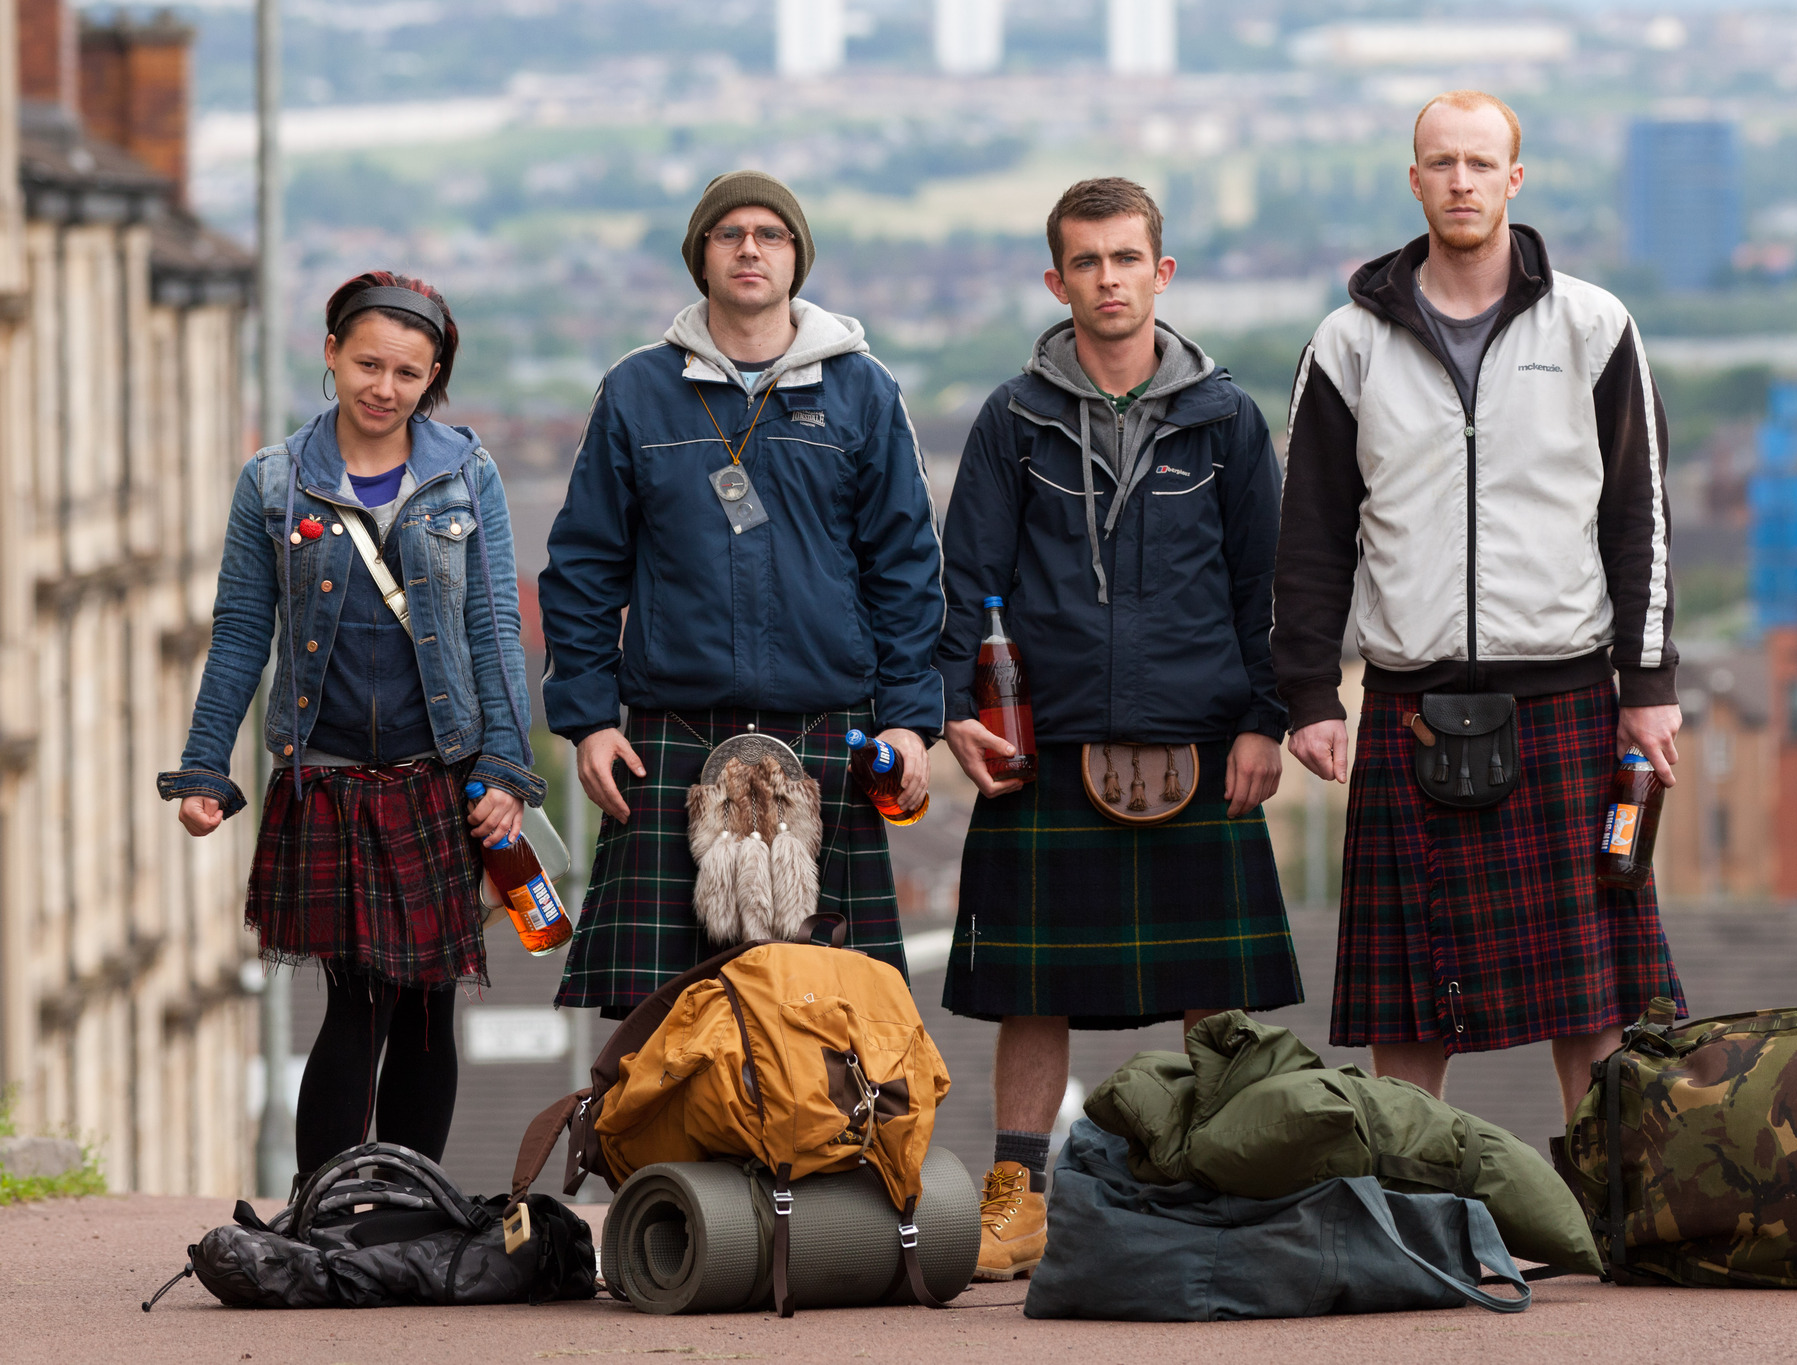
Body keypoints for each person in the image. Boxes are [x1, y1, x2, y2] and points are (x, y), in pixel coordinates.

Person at [1275, 91, 1686, 1125]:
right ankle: (1412, 1204)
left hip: (1564, 694)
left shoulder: (1593, 326)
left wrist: (1647, 687)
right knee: (1406, 1004)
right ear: (1412, 182)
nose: (1459, 180)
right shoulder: (1346, 343)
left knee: (1593, 1001)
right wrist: (1309, 694)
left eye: (1478, 162)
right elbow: (1311, 534)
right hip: (1410, 697)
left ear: (1514, 178)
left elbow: (1637, 516)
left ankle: (1608, 1199)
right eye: (1438, 162)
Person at [938, 178, 1303, 1282]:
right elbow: (968, 581)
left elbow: (1267, 587)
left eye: (1126, 259)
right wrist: (960, 710)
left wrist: (1264, 721)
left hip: (1197, 737)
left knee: (1211, 994)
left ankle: (1211, 1184)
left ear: (1162, 272)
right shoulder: (1012, 417)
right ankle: (1020, 1194)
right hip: (1044, 741)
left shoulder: (1227, 421)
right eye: (1086, 262)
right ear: (1057, 281)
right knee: (1029, 987)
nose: (1108, 279)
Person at [159, 272, 542, 1180]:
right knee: (358, 1000)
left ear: (433, 375)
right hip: (326, 774)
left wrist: (508, 770)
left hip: (440, 774)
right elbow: (244, 632)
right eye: (367, 362)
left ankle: (411, 1203)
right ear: (330, 354)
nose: (384, 386)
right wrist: (204, 767)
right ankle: (321, 1210)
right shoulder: (274, 482)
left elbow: (492, 628)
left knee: (426, 1004)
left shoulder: (467, 472)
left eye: (408, 372)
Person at [540, 171, 942, 1014]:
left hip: (827, 735)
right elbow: (582, 568)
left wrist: (908, 718)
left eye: (771, 233)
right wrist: (586, 721)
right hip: (668, 743)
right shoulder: (638, 392)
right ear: (702, 257)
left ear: (797, 256)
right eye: (730, 234)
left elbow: (904, 567)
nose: (751, 248)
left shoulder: (863, 391)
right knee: (657, 1026)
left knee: (830, 1019)